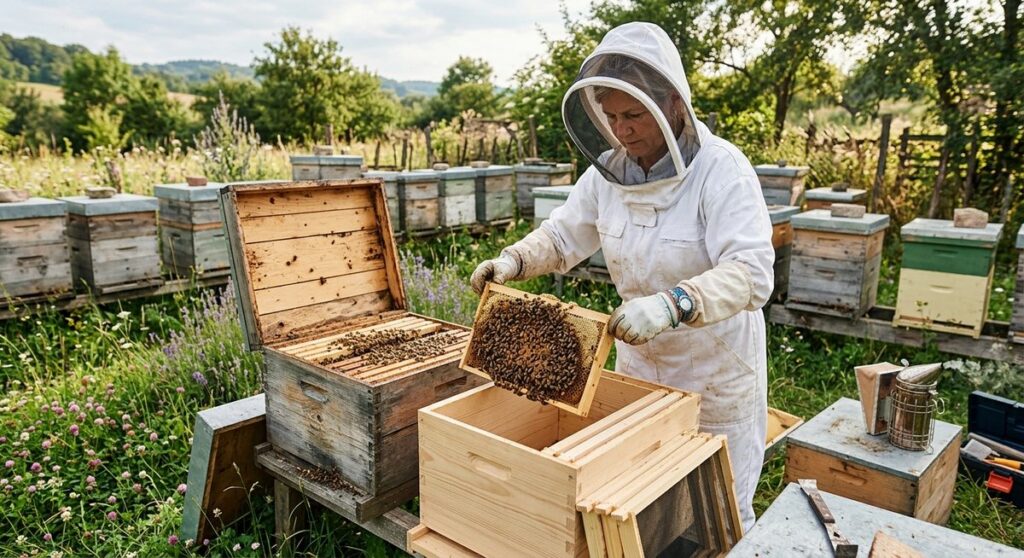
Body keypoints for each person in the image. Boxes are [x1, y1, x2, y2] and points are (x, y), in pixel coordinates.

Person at [470, 21, 773, 531]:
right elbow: (564, 237)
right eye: (610, 116)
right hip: (638, 368)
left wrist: (672, 303)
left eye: (633, 115)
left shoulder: (723, 172)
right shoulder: (607, 174)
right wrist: (513, 262)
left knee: (720, 513)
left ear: (673, 105)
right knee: (647, 507)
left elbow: (752, 273)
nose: (622, 129)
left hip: (714, 373)